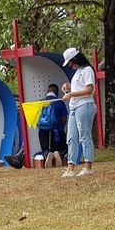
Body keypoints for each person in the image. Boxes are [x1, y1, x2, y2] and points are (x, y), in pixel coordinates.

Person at [60, 47, 96, 177]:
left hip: (85, 105)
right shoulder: (78, 72)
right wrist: (68, 86)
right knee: (71, 137)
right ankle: (70, 168)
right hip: (74, 107)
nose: (69, 65)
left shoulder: (87, 70)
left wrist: (71, 95)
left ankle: (88, 166)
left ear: (74, 59)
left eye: (69, 62)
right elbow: (80, 86)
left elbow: (89, 90)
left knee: (84, 136)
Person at [39, 84, 68, 168]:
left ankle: (47, 154)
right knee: (61, 147)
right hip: (56, 130)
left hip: (43, 130)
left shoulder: (41, 102)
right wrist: (61, 128)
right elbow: (64, 118)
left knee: (45, 147)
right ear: (57, 92)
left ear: (47, 91)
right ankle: (58, 153)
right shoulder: (59, 102)